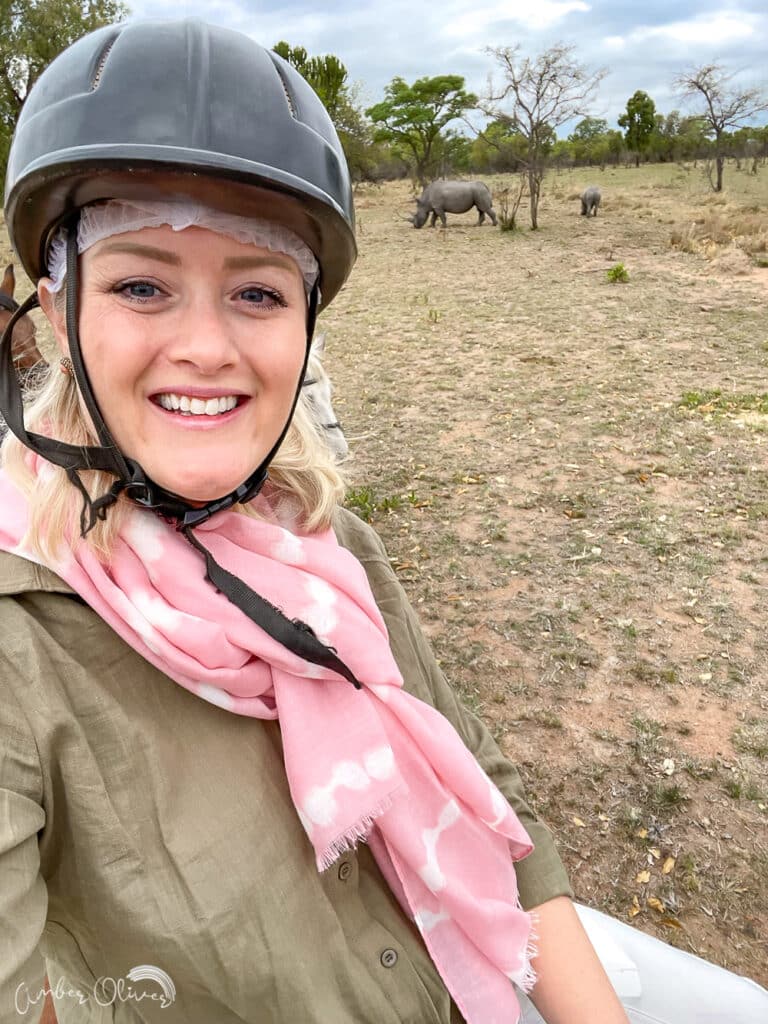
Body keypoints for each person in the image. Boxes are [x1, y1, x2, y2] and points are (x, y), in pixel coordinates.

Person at [0, 19, 764, 1024]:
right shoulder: (23, 646)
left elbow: (501, 816)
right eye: (142, 284)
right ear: (56, 311)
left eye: (259, 292)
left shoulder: (330, 548)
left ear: (305, 327)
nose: (205, 346)